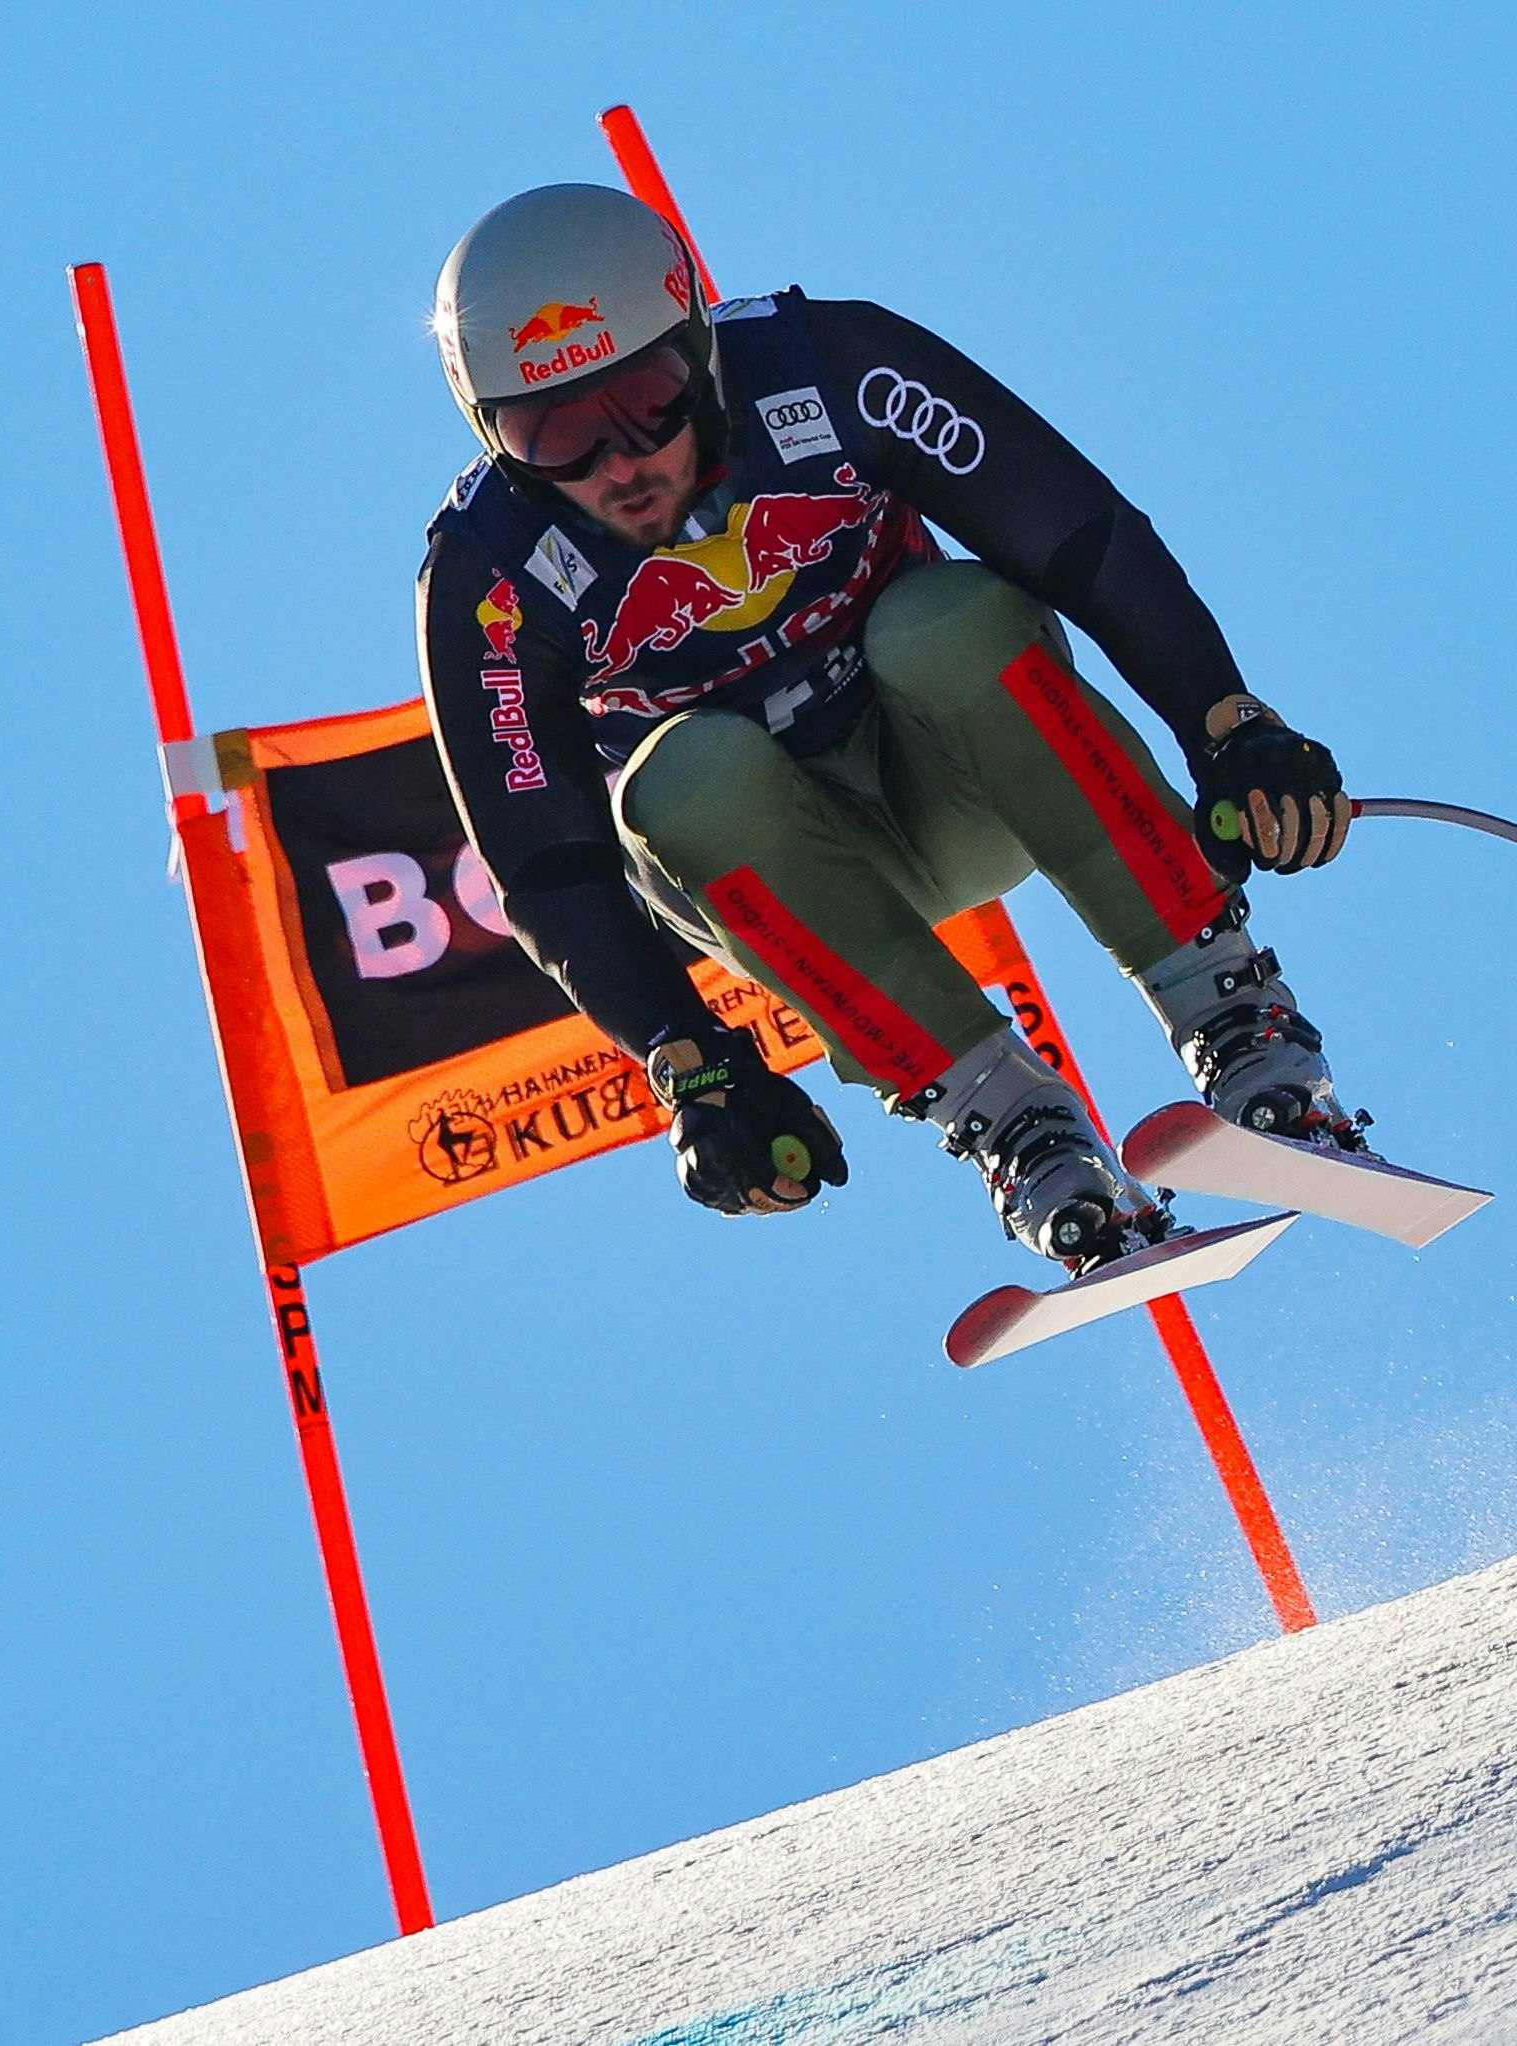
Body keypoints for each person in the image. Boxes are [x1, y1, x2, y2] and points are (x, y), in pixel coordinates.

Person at [417, 183, 1360, 1274]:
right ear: (490, 432)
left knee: (944, 622)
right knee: (682, 776)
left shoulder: (833, 369)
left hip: (963, 773)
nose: (621, 462)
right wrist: (694, 1067)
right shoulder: (488, 576)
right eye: (557, 434)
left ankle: (1233, 1010)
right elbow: (544, 863)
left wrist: (1225, 722)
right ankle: (1014, 1127)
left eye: (648, 399)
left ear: (697, 342)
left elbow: (1076, 536)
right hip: (778, 876)